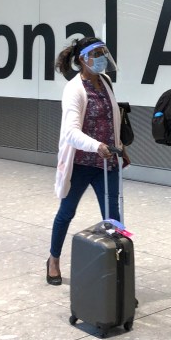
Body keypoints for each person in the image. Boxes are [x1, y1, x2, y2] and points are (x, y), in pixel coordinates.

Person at [48, 37, 127, 286]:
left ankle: (119, 275)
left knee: (113, 218)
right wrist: (96, 146)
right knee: (66, 212)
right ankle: (53, 260)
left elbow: (112, 120)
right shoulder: (74, 89)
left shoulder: (106, 81)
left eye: (105, 52)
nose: (103, 58)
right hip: (81, 163)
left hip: (107, 162)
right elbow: (71, 132)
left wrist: (120, 149)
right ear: (83, 59)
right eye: (98, 54)